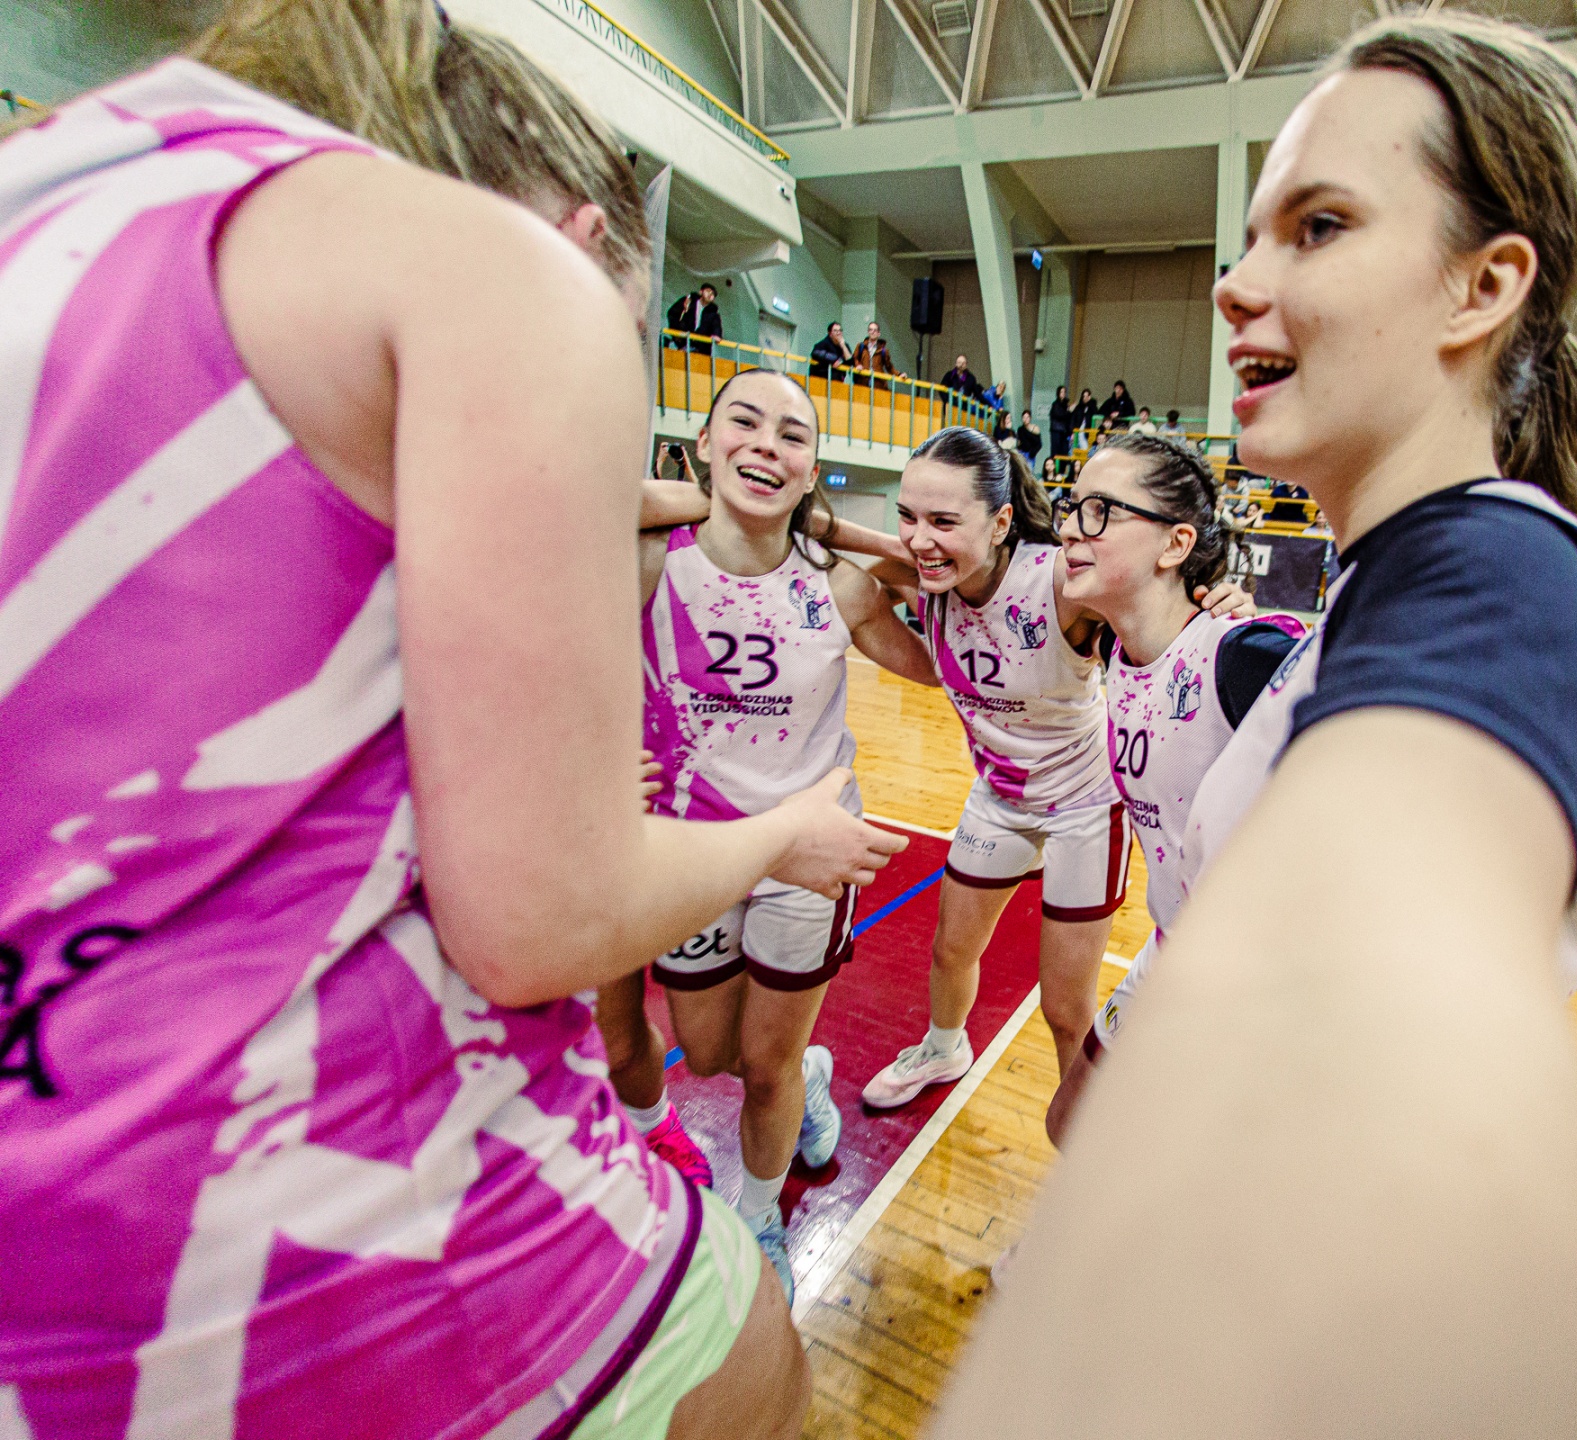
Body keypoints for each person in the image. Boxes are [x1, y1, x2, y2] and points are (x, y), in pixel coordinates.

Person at [0, 5, 909, 1438]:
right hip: (280, 1192)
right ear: (581, 235)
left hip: (50, 1156)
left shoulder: (54, 184)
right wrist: (778, 828)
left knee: (753, 1073)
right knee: (756, 1366)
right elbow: (545, 915)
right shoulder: (483, 279)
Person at [933, 13, 1577, 1435]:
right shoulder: (1409, 584)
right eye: (1253, 235)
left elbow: (1402, 1046)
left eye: (1319, 226)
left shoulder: (1499, 582)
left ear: (1482, 286)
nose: (1236, 283)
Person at [602, 370, 937, 1303]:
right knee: (708, 1054)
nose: (766, 444)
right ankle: (816, 1078)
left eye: (792, 435)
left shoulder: (836, 583)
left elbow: (940, 662)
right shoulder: (650, 561)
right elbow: (572, 523)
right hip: (695, 853)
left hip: (812, 853)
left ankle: (758, 1219)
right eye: (743, 423)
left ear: (812, 470)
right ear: (702, 446)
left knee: (764, 1068)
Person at [857, 428, 1251, 1113]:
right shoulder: (928, 576)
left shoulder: (1060, 582)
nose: (920, 539)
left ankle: (1086, 1126)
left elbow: (1158, 601)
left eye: (944, 521)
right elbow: (860, 563)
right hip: (999, 795)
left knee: (1066, 1008)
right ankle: (944, 1047)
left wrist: (1217, 598)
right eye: (908, 518)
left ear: (1000, 521)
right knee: (950, 952)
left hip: (1083, 805)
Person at [1036, 435, 1305, 1151]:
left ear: (1175, 544)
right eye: (1071, 508)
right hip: (1177, 944)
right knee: (1072, 1123)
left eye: (1099, 510)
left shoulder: (1242, 653)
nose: (1071, 529)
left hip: (1263, 978)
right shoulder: (1116, 649)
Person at [668, 281, 724, 354]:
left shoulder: (713, 314)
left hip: (701, 350)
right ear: (701, 292)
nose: (710, 294)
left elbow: (717, 327)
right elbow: (673, 314)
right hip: (683, 343)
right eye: (708, 291)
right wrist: (676, 333)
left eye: (713, 294)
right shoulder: (688, 302)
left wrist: (717, 335)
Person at [1049, 384, 1075, 458]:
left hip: (1065, 432)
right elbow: (1059, 415)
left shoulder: (1066, 404)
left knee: (1064, 452)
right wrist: (1069, 411)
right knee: (1056, 451)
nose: (1063, 394)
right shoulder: (1055, 404)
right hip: (1057, 431)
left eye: (1064, 392)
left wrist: (1071, 432)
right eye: (1061, 392)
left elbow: (1069, 419)